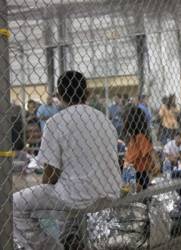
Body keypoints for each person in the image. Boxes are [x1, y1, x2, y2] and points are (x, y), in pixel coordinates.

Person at [13, 71, 122, 250]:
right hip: (110, 192)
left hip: (78, 197)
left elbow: (50, 176)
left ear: (60, 95)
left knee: (14, 205)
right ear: (87, 94)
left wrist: (48, 191)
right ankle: (71, 238)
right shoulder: (104, 119)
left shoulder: (55, 122)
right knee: (67, 191)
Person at [123, 106, 159, 191]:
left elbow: (150, 151)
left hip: (137, 173)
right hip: (134, 172)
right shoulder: (134, 137)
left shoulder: (139, 137)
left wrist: (157, 163)